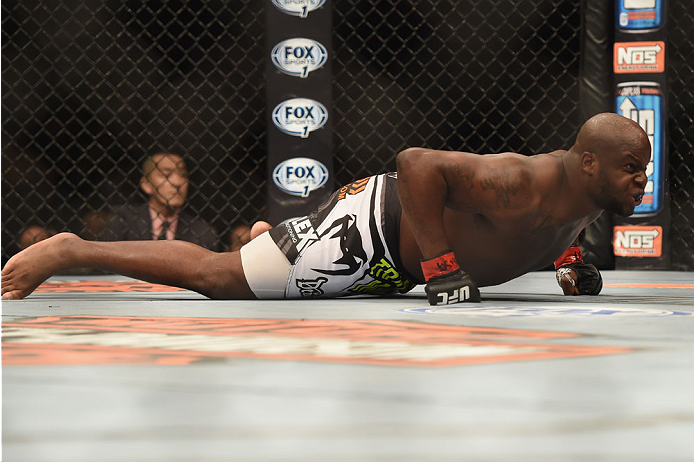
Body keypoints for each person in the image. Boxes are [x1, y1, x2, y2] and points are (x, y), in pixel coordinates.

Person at [1, 113, 650, 304]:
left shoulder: (585, 198)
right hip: (372, 232)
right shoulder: (522, 182)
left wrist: (569, 263)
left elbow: (521, 236)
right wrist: (445, 266)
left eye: (644, 169)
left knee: (261, 258)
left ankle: (273, 242)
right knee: (219, 278)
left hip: (397, 267)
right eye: (631, 168)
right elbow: (417, 164)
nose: (640, 182)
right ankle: (70, 249)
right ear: (589, 162)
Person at [99, 153, 219, 250]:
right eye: (166, 175)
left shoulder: (202, 230)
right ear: (147, 184)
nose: (177, 182)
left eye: (182, 175)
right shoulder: (124, 218)